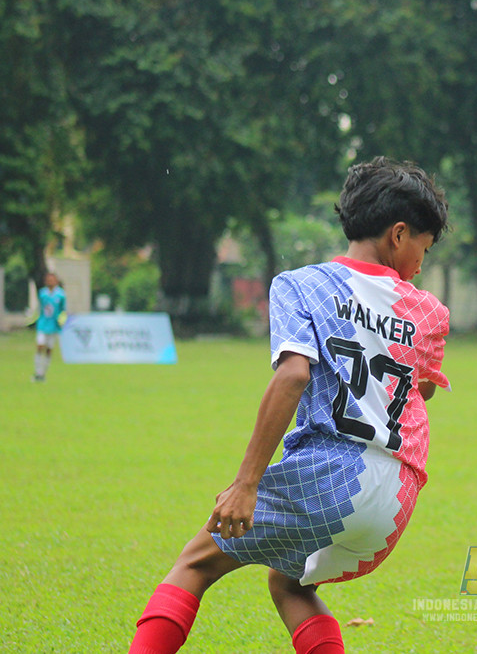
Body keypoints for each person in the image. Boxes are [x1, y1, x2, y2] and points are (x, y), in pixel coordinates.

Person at [128, 157, 451, 654]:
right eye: (423, 251)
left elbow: (294, 374)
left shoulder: (301, 285)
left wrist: (246, 484)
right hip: (397, 498)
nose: (420, 265)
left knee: (194, 563)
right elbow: (420, 389)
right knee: (289, 582)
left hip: (333, 475)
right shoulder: (428, 310)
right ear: (399, 234)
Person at [33, 271, 66, 382]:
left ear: (56, 281)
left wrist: (61, 321)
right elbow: (40, 309)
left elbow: (63, 311)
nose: (49, 281)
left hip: (53, 326)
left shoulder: (61, 295)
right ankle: (37, 372)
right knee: (40, 346)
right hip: (42, 325)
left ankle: (43, 374)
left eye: (51, 279)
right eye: (48, 279)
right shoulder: (42, 293)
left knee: (48, 350)